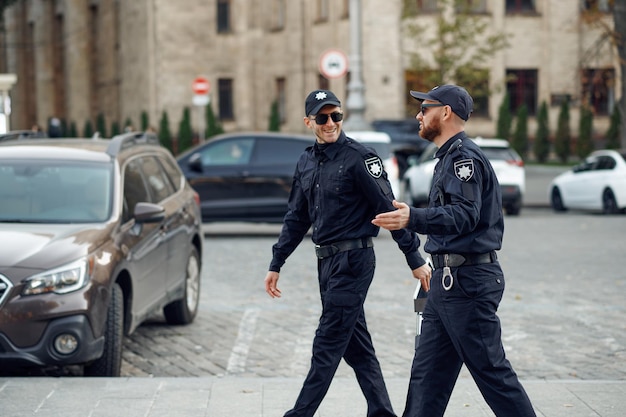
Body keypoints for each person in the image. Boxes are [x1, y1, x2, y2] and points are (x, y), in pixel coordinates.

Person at [264, 89, 432, 417]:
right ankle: (382, 411)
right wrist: (277, 262)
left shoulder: (360, 158)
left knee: (327, 341)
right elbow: (296, 218)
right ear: (308, 121)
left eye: (336, 116)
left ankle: (299, 414)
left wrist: (414, 258)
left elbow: (390, 209)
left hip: (354, 261)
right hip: (326, 263)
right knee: (357, 347)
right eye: (323, 117)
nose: (330, 123)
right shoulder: (306, 161)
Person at [372, 84, 536, 417]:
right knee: (427, 377)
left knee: (492, 373)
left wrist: (412, 217)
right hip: (447, 284)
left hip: (468, 283)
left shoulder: (464, 158)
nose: (418, 115)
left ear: (445, 112)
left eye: (425, 108)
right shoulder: (448, 157)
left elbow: (465, 214)